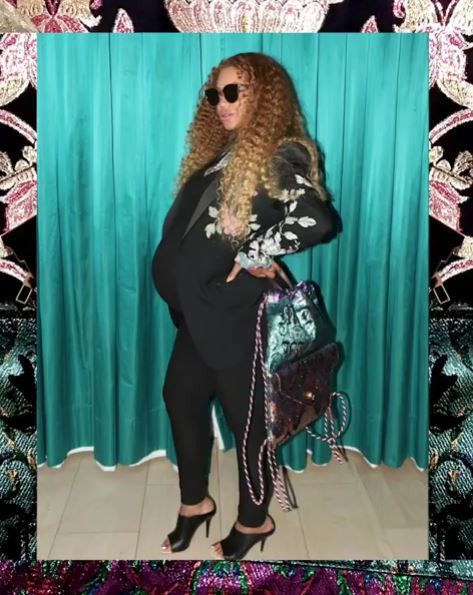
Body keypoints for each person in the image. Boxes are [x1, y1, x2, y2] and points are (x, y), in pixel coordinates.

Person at [152, 52, 338, 560]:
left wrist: (256, 251)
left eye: (233, 91)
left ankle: (254, 521)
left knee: (248, 422)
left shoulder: (281, 152)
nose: (221, 102)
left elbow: (318, 219)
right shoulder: (224, 151)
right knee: (180, 397)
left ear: (264, 96)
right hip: (199, 312)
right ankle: (195, 503)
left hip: (240, 315)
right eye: (216, 93)